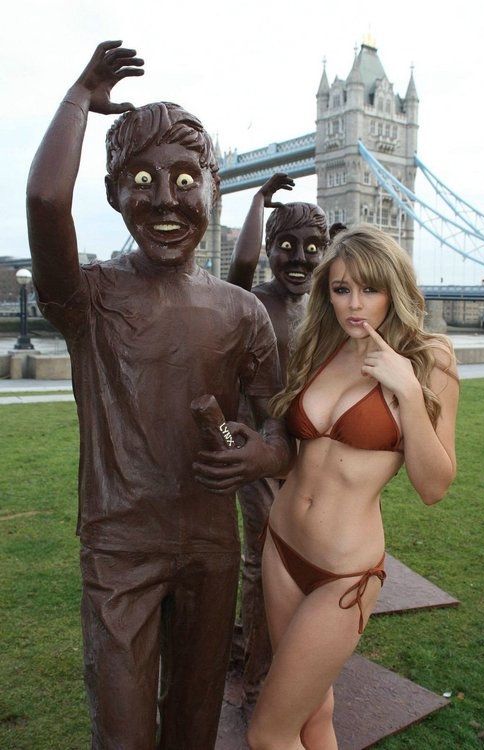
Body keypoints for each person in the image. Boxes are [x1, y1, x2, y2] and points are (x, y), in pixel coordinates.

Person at [26, 40, 294, 750]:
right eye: (142, 180)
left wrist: (263, 458)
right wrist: (79, 99)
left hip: (211, 544)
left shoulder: (242, 313)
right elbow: (45, 200)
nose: (166, 200)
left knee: (193, 725)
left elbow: (281, 428)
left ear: (212, 188)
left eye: (185, 179)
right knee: (122, 732)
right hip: (120, 548)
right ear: (114, 193)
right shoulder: (90, 299)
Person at [246, 224, 460, 750]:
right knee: (313, 713)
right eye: (341, 289)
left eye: (369, 288)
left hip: (344, 575)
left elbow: (433, 486)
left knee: (268, 735)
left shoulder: (430, 360)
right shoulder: (321, 343)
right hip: (281, 547)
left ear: (394, 289)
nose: (354, 304)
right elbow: (299, 455)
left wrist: (407, 390)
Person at [226, 174, 330, 715]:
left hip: (307, 452)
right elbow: (240, 267)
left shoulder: (322, 308)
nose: (299, 259)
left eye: (313, 248)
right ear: (269, 249)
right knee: (260, 560)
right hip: (257, 448)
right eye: (286, 246)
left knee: (303, 556)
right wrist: (257, 203)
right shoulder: (252, 303)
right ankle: (258, 677)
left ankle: (283, 651)